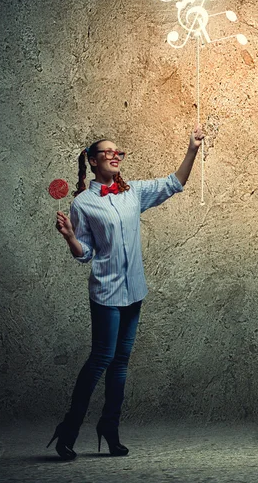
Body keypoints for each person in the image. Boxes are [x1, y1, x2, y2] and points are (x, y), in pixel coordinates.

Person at [47, 125, 205, 460]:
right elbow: (84, 253)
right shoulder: (84, 203)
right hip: (106, 292)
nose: (115, 155)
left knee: (120, 364)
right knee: (101, 359)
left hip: (135, 291)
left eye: (118, 152)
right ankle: (69, 430)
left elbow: (174, 183)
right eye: (107, 152)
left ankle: (110, 427)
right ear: (91, 161)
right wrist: (69, 237)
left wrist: (191, 149)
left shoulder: (132, 192)